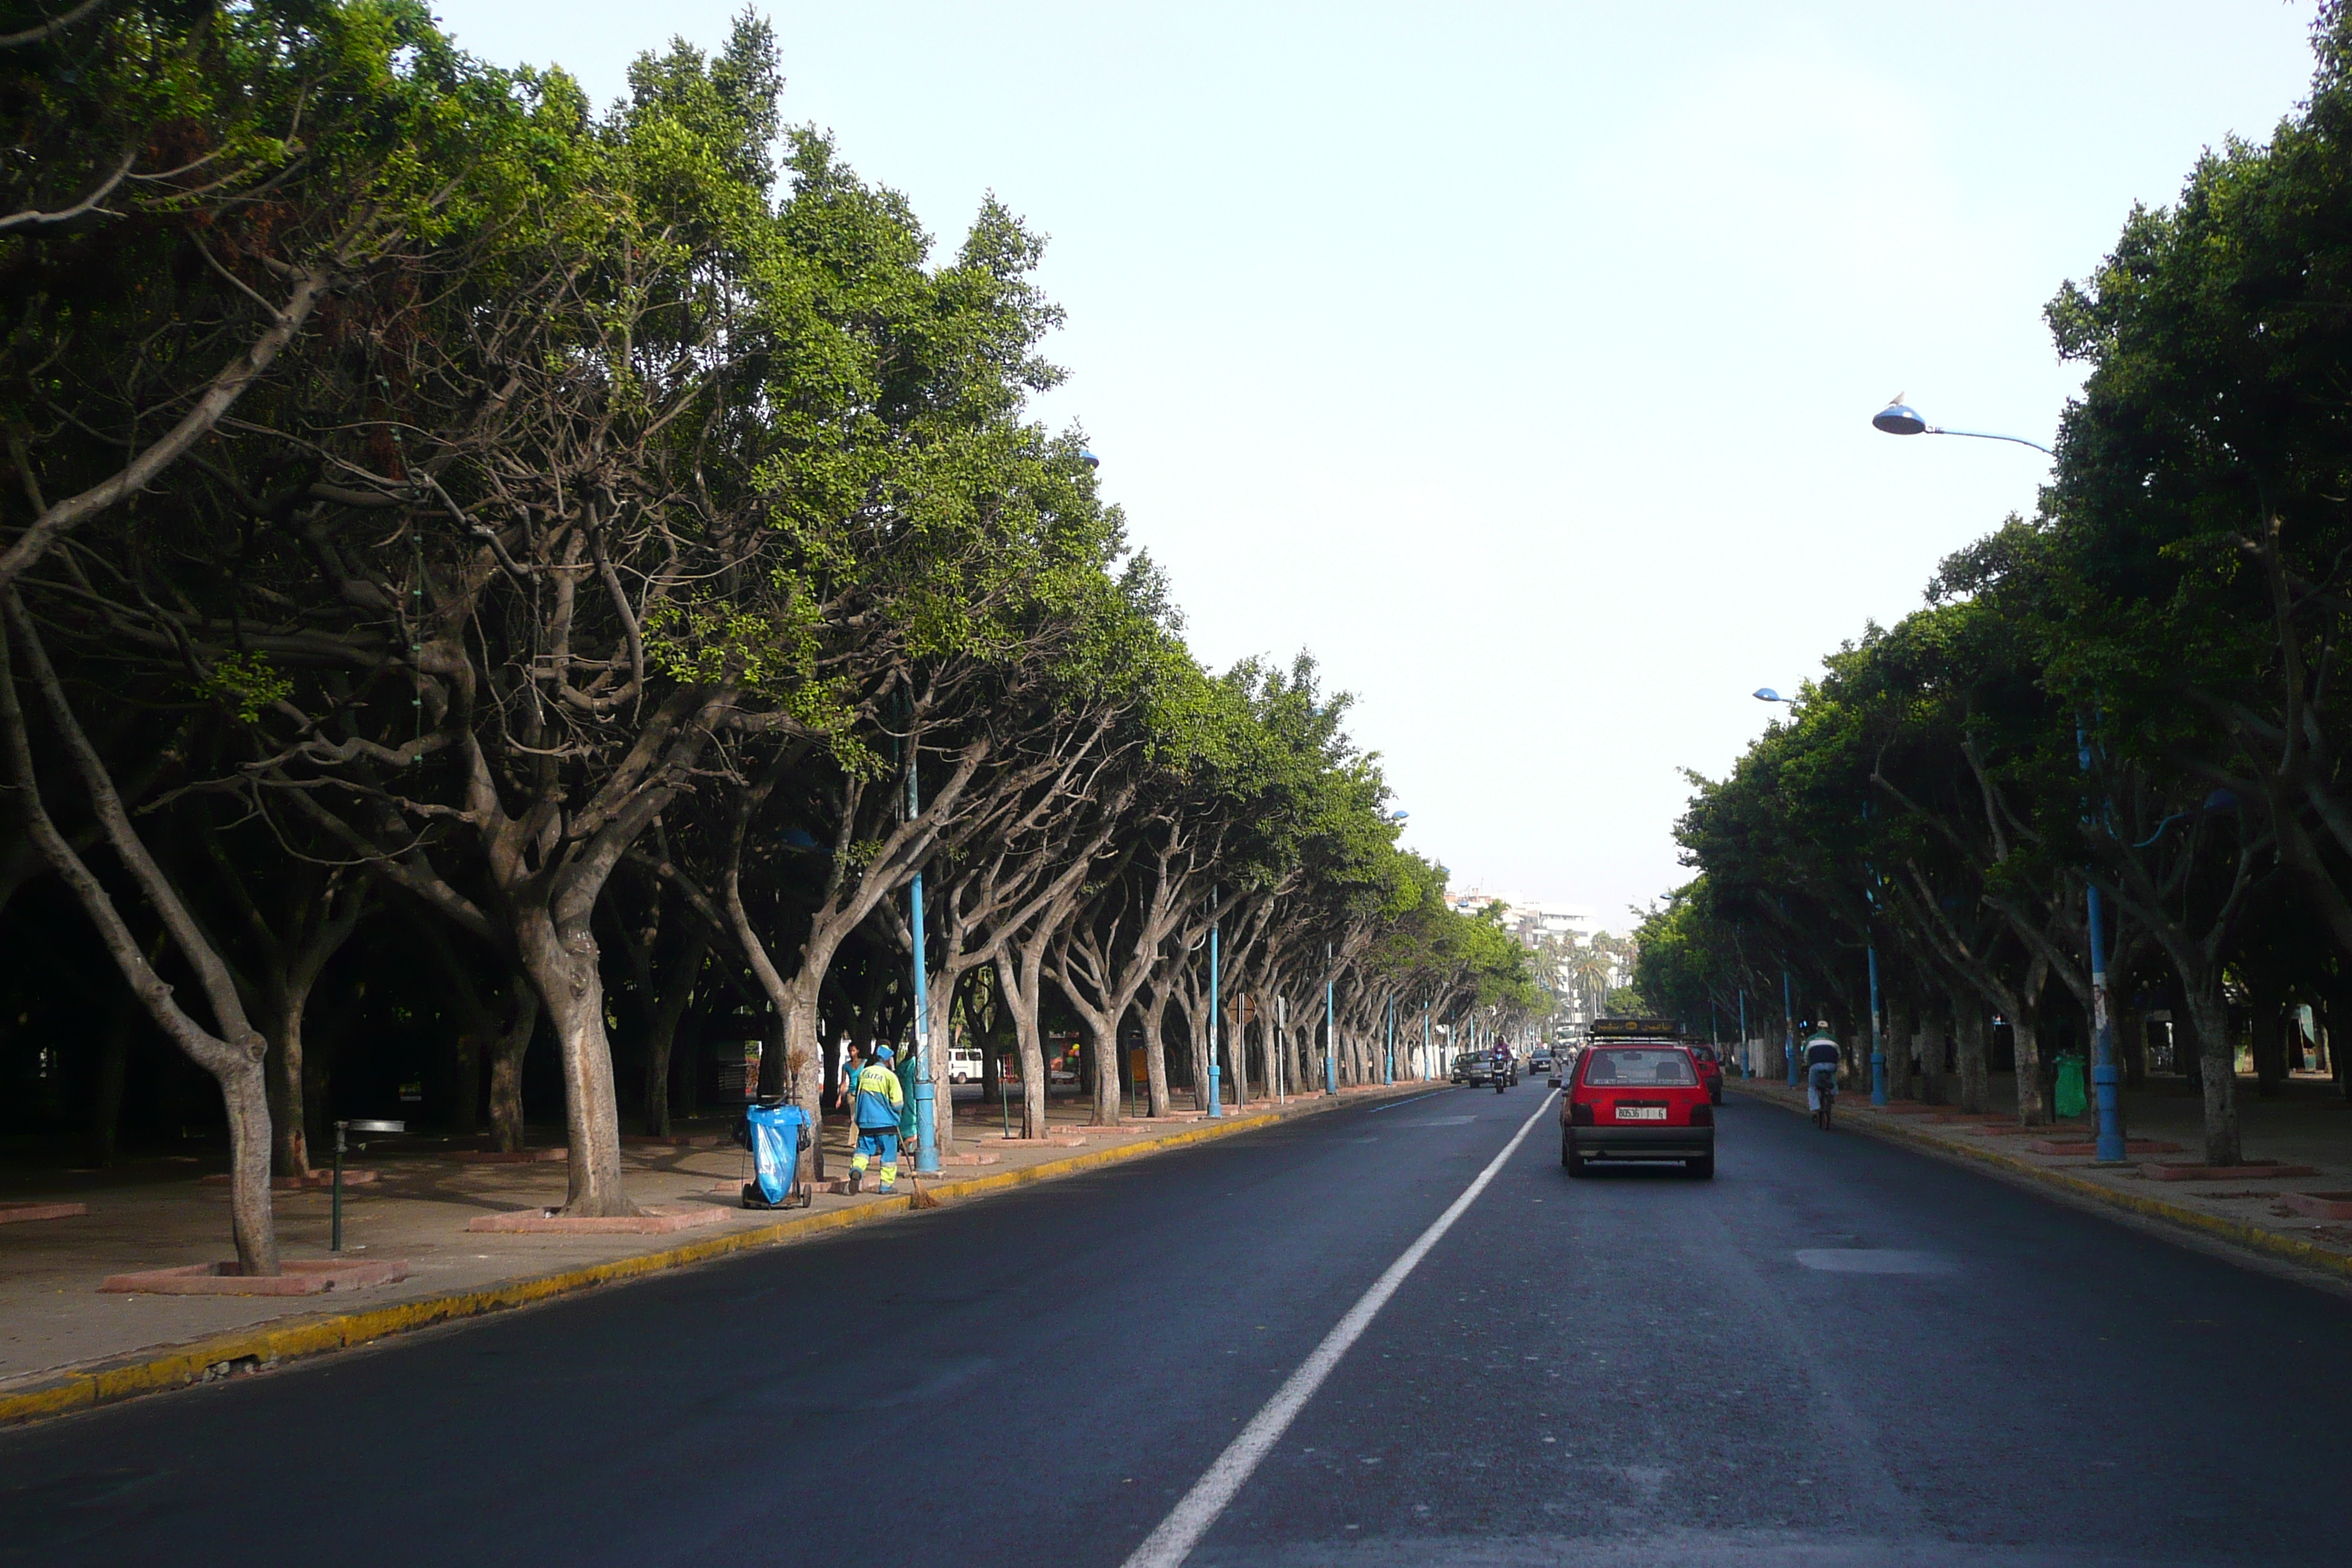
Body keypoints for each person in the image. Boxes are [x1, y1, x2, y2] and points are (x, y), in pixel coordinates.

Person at [848, 1044, 905, 1194]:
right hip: (886, 1123)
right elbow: (898, 1104)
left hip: (865, 1122)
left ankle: (857, 1170)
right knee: (889, 1154)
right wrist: (898, 1116)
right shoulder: (890, 1076)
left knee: (863, 1151)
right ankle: (886, 1186)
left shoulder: (864, 1073)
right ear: (888, 1060)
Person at [1803, 1029, 1842, 1128]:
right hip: (1831, 1065)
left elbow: (1806, 1055)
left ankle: (1815, 1110)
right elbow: (1839, 1054)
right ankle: (1832, 1094)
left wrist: (1807, 1064)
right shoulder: (1833, 1039)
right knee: (1832, 1080)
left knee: (1812, 1087)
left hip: (1815, 1066)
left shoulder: (1810, 1039)